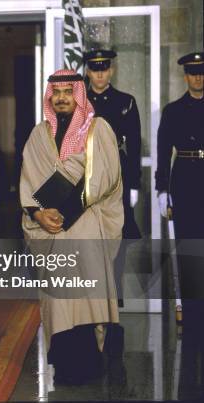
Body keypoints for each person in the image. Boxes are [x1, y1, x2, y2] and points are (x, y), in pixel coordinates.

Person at [20, 69, 124, 385]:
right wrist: (38, 215)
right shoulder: (39, 134)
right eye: (57, 93)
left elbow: (104, 177)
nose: (62, 98)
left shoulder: (98, 129)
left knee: (89, 297)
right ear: (49, 96)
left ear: (78, 95)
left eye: (68, 92)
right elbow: (28, 180)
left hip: (87, 225)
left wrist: (63, 212)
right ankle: (64, 366)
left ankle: (95, 365)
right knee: (60, 301)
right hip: (52, 231)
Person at [84, 48, 142, 309]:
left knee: (117, 236)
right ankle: (90, 298)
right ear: (87, 71)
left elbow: (134, 146)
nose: (100, 74)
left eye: (104, 68)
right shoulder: (79, 101)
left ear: (111, 70)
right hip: (85, 173)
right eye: (95, 69)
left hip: (117, 174)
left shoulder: (125, 101)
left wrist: (134, 183)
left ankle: (114, 299)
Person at [156, 51, 204, 327]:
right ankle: (193, 312)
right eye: (193, 72)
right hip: (185, 181)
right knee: (189, 251)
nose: (198, 77)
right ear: (185, 76)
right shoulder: (173, 110)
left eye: (201, 72)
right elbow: (163, 152)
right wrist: (162, 189)